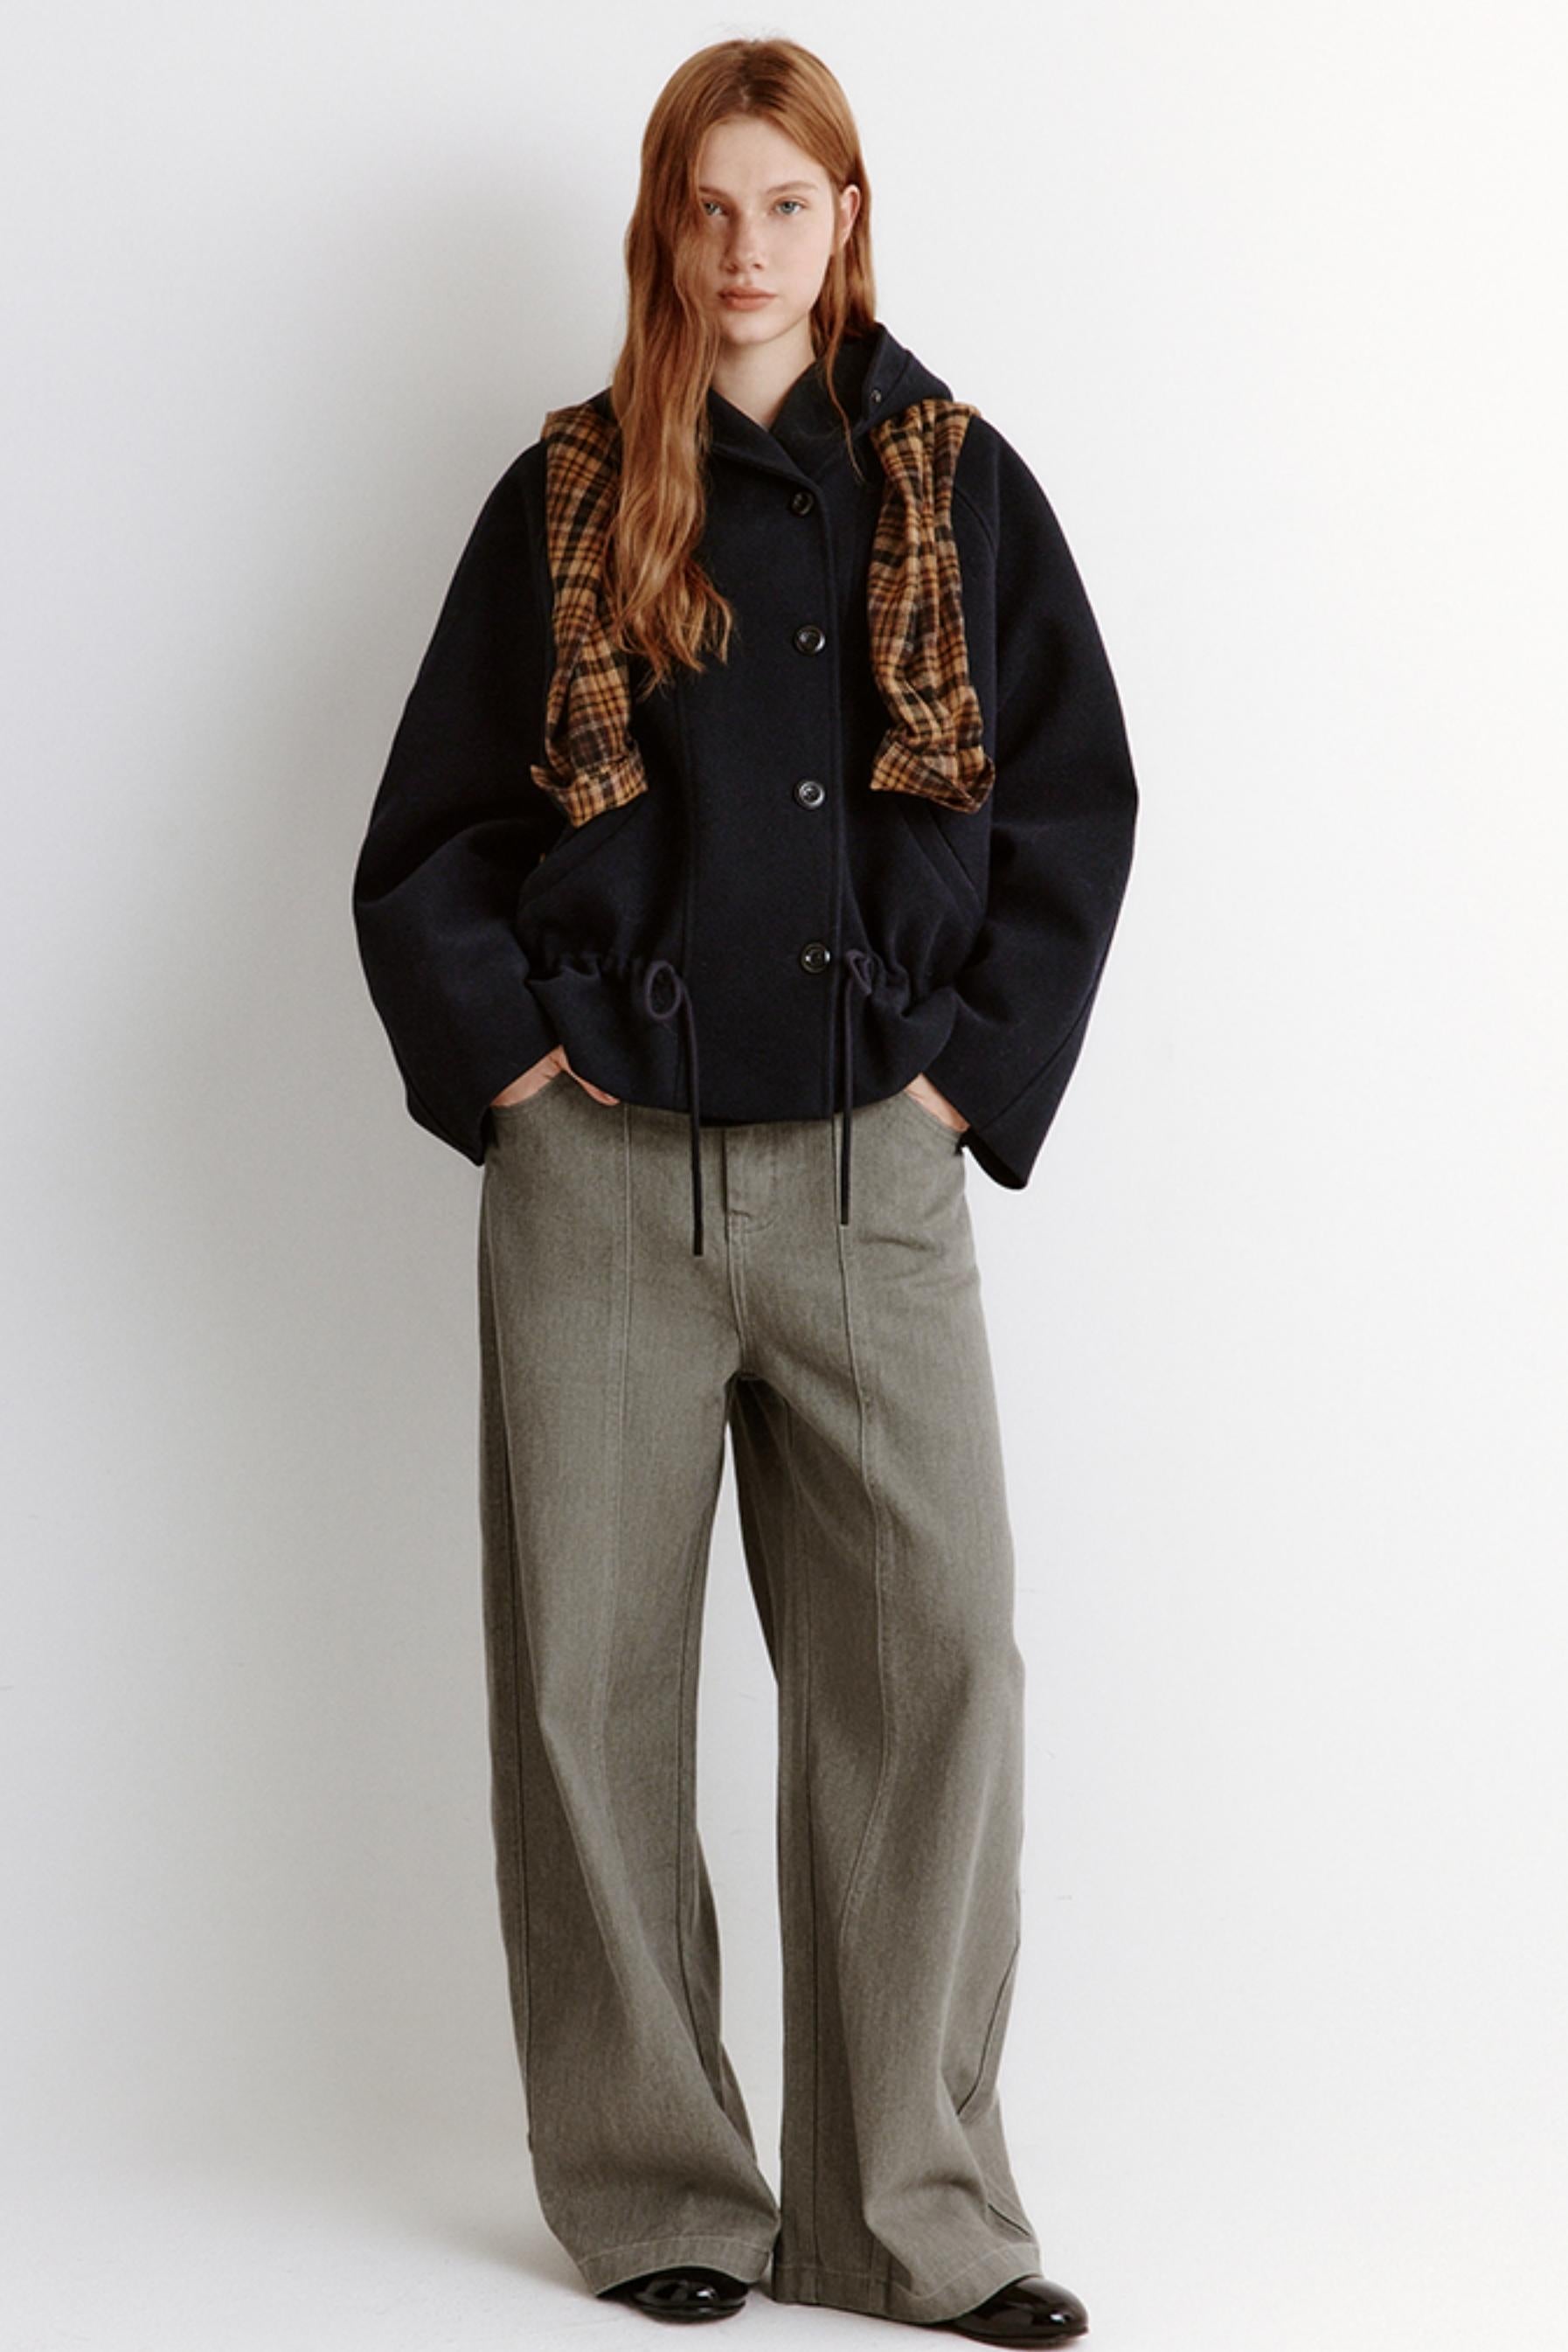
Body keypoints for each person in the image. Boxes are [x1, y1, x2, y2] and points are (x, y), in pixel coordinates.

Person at [351, 35, 1137, 2343]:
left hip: (874, 1178)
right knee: (586, 1690)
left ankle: (912, 2215)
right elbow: (430, 834)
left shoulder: (952, 479)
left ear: (845, 218)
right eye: (706, 204)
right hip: (602, 1174)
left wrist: (953, 1089)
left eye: (786, 203)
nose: (745, 246)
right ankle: (657, 2192)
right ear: (660, 225)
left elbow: (1073, 805)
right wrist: (516, 1069)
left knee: (934, 1668)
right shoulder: (572, 489)